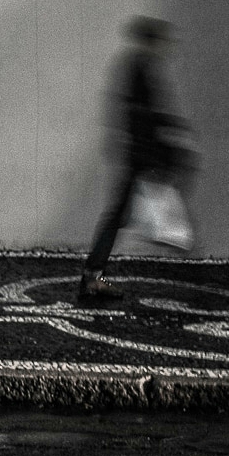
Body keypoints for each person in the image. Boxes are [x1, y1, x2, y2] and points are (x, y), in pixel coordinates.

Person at [79, 17, 195, 300]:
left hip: (138, 153)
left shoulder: (137, 65)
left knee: (119, 215)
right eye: (162, 41)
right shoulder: (141, 68)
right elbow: (143, 115)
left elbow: (138, 113)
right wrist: (166, 139)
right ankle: (93, 276)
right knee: (119, 215)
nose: (166, 47)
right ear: (152, 41)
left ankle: (93, 274)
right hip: (141, 155)